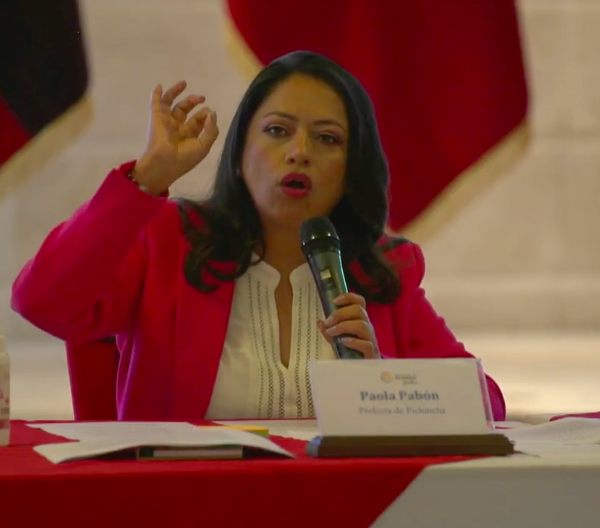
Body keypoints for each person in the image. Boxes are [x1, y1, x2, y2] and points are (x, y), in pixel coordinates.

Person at [11, 51, 505, 421]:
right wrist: (146, 179)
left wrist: (385, 379)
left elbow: (487, 403)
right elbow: (42, 301)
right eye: (277, 131)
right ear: (239, 156)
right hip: (184, 504)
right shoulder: (168, 242)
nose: (299, 151)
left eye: (327, 138)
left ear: (351, 173)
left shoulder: (383, 271)